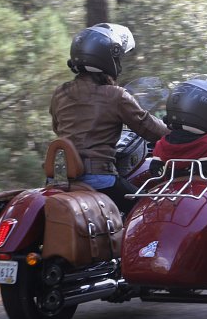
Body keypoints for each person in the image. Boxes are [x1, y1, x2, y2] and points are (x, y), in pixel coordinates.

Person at [50, 23, 168, 216]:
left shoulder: (60, 92)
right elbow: (148, 127)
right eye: (117, 57)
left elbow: (58, 127)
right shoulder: (115, 95)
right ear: (107, 59)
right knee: (152, 212)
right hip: (99, 178)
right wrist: (177, 132)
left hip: (59, 179)